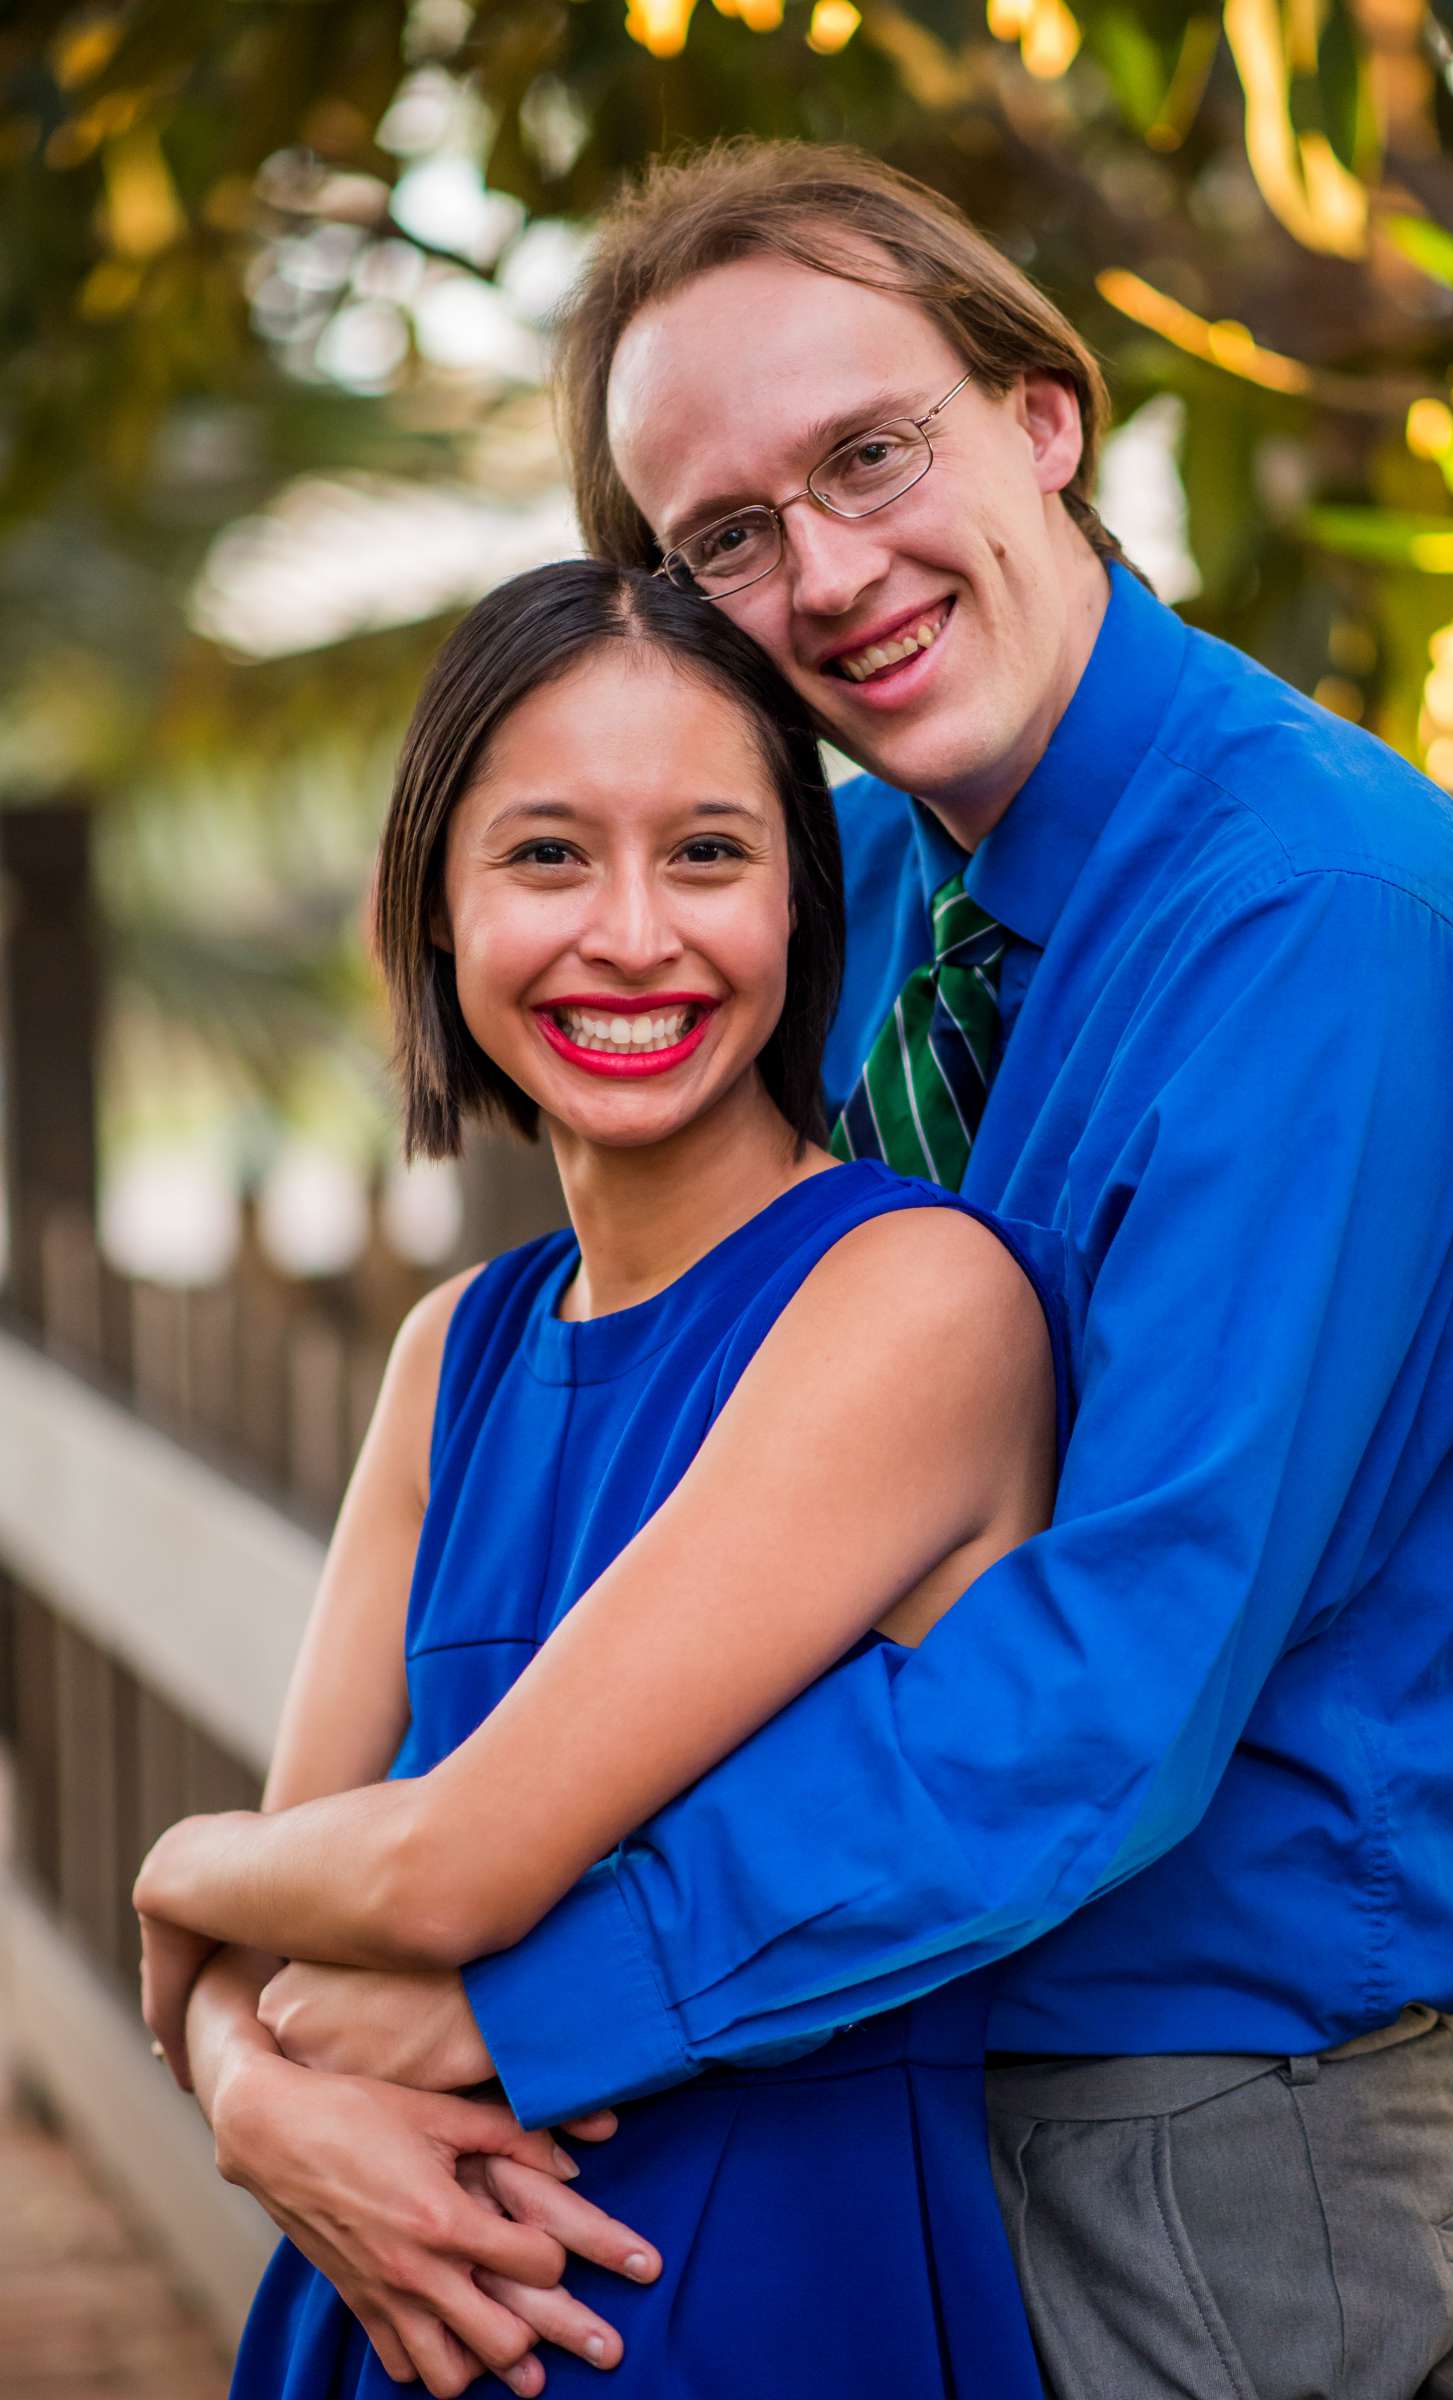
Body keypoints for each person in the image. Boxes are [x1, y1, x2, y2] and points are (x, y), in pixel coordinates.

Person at [178, 143, 1453, 2400]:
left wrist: (500, 1995)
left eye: (865, 453)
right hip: (777, 2059)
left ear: (1042, 419)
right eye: (719, 535)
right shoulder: (828, 896)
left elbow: (1111, 1675)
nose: (821, 569)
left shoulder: (1320, 925)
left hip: (1153, 2112)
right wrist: (264, 2085)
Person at [136, 556, 1066, 2397]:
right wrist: (256, 2102)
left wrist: (176, 1869)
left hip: (754, 2309)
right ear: (434, 905)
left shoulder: (917, 1303)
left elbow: (439, 1874)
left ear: (805, 896)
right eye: (548, 856)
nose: (632, 936)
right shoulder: (451, 1357)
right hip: (388, 2297)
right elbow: (297, 1901)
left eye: (709, 854)